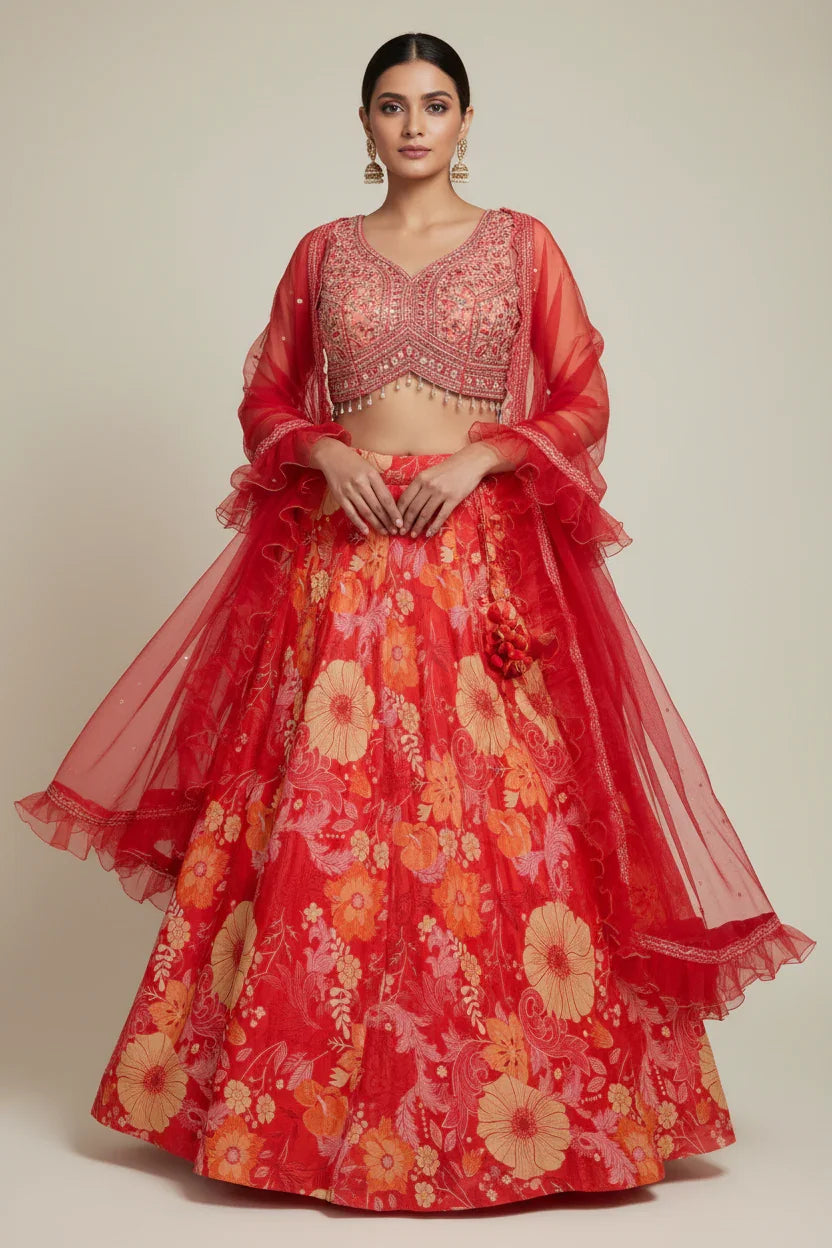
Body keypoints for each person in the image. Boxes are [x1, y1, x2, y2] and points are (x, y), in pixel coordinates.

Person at [14, 31, 816, 1215]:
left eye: (434, 105)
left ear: (466, 119)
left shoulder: (522, 244)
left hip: (475, 563)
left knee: (503, 824)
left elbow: (585, 392)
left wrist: (489, 452)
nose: (413, 126)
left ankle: (540, 1116)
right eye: (391, 107)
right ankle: (290, 1116)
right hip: (343, 570)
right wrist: (320, 449)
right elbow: (266, 393)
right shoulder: (322, 254)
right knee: (325, 822)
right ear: (364, 124)